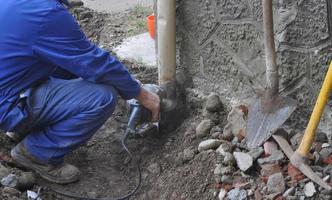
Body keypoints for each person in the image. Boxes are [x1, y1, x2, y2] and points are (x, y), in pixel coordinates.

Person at [0, 0, 160, 184]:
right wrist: (142, 94)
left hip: (9, 86)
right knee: (102, 97)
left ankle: (24, 128)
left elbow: (73, 61)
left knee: (65, 67)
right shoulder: (45, 14)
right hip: (7, 104)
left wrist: (124, 82)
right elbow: (93, 62)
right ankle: (37, 152)